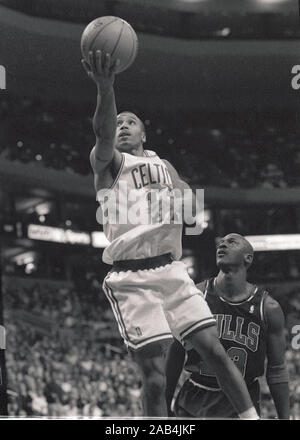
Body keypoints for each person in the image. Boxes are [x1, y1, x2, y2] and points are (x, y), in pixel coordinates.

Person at [82, 50, 259, 418]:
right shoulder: (109, 163)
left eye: (131, 122)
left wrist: (182, 202)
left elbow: (191, 207)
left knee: (215, 352)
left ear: (144, 132)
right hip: (131, 275)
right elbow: (101, 130)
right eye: (118, 123)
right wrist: (105, 86)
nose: (123, 126)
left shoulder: (164, 165)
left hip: (171, 270)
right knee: (156, 379)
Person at [165, 233, 290, 419]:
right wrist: (164, 403)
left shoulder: (268, 308)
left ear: (248, 258)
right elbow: (175, 352)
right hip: (194, 399)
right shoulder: (196, 295)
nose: (222, 245)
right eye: (220, 242)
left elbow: (277, 370)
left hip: (242, 401)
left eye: (231, 242)